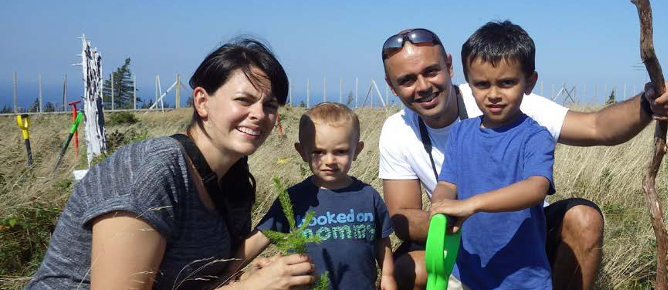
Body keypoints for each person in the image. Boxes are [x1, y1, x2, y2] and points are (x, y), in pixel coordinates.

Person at [378, 24, 668, 290]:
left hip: (526, 234)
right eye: (407, 80)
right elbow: (403, 217)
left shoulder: (508, 102)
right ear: (392, 86)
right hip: (460, 241)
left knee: (584, 218)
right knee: (404, 270)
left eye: (431, 71)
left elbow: (598, 127)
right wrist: (446, 214)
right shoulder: (399, 130)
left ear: (448, 67)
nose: (423, 86)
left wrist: (649, 103)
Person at [26, 38, 316, 290]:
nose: (259, 114)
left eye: (270, 105)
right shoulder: (150, 171)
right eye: (244, 100)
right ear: (202, 101)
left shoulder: (231, 181)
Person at [429, 20, 559, 289]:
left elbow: (535, 188)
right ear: (469, 83)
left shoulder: (535, 136)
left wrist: (472, 203)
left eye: (507, 82)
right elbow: (447, 183)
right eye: (482, 84)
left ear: (529, 82)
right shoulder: (460, 133)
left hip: (522, 277)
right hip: (464, 270)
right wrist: (441, 207)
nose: (494, 94)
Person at [230, 102, 397, 290]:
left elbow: (382, 240)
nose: (329, 160)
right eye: (318, 152)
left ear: (356, 150)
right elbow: (260, 237)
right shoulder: (293, 199)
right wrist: (229, 273)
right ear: (302, 152)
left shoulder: (368, 195)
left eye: (340, 151)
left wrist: (388, 275)